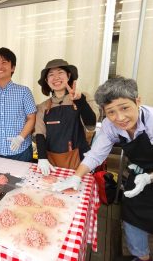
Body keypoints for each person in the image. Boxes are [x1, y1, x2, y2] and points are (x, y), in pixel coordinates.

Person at [53, 77, 153, 261]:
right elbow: (96, 154)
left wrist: (149, 177)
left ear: (137, 101)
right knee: (132, 217)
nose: (120, 118)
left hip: (148, 176)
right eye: (111, 112)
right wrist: (76, 177)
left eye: (124, 108)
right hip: (138, 175)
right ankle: (142, 256)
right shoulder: (109, 125)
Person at [34, 59, 96, 175]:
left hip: (79, 162)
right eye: (51, 75)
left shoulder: (83, 97)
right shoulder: (43, 107)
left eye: (60, 73)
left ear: (68, 76)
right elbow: (40, 133)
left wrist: (80, 101)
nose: (56, 77)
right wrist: (42, 158)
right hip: (51, 163)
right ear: (47, 81)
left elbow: (91, 125)